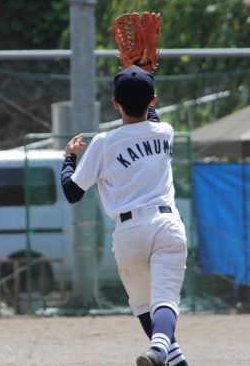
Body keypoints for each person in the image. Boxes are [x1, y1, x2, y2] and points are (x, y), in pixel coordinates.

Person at [61, 68, 189, 366]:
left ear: (115, 103)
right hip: (166, 226)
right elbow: (150, 118)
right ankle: (159, 349)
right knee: (164, 302)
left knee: (144, 307)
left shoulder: (103, 143)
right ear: (153, 100)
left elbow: (72, 192)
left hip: (129, 233)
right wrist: (143, 73)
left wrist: (69, 158)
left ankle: (159, 351)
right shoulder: (166, 131)